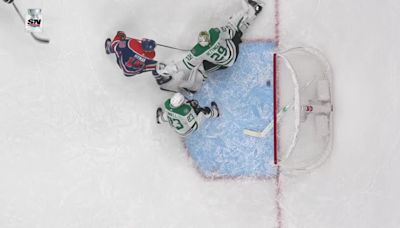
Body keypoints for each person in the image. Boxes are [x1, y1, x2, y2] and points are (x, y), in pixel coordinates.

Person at [157, 0, 264, 92]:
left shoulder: (198, 51)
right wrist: (243, 12)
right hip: (233, 51)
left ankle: (194, 87)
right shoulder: (214, 34)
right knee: (237, 32)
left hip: (226, 63)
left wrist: (166, 70)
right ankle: (254, 12)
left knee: (201, 68)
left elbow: (181, 65)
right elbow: (231, 27)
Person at [105, 31, 171, 85]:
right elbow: (146, 55)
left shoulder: (129, 44)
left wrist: (119, 36)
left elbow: (115, 46)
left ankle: (109, 49)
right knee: (158, 66)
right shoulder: (150, 56)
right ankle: (159, 79)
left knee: (117, 48)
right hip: (136, 71)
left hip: (123, 65)